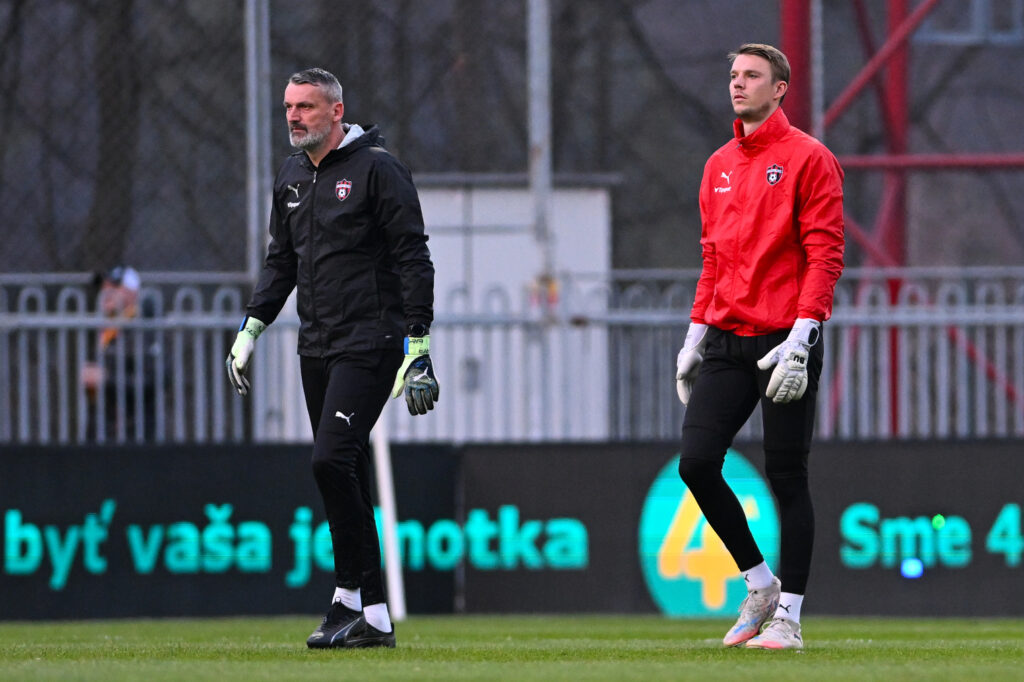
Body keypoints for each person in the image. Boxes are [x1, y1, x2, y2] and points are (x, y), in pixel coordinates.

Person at [225, 68, 438, 649]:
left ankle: (357, 603)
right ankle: (364, 610)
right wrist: (251, 327)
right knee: (346, 469)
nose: (294, 117)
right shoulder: (291, 175)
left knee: (329, 460)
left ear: (337, 111)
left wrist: (418, 345)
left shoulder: (379, 169)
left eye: (307, 107)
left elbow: (413, 258)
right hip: (314, 346)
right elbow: (282, 263)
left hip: (369, 342)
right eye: (288, 107)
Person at [674, 44, 844, 650]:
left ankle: (789, 618)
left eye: (751, 76)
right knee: (695, 463)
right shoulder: (718, 163)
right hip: (727, 337)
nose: (738, 84)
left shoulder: (811, 158)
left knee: (786, 475)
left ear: (780, 89)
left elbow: (825, 254)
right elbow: (712, 258)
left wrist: (804, 334)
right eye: (733, 75)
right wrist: (695, 335)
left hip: (784, 339)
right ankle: (760, 584)